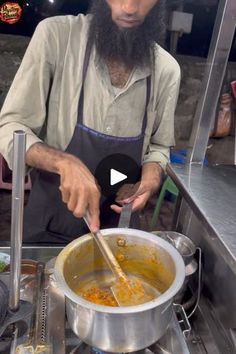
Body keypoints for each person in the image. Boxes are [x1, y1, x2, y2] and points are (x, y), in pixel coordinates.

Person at [0, 0, 180, 244]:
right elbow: (10, 126)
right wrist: (64, 162)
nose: (129, 8)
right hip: (49, 226)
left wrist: (150, 180)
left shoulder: (167, 70)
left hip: (118, 231)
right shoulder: (57, 37)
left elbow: (158, 148)